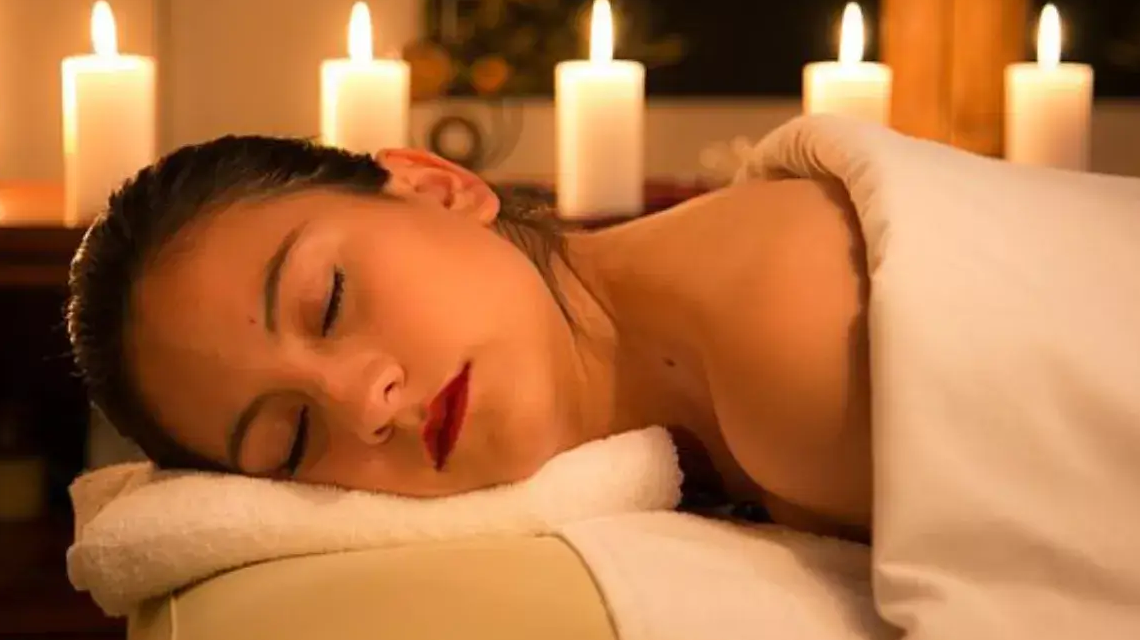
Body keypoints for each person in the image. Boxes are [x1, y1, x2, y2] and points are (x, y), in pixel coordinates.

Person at [66, 135, 873, 539]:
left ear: (437, 188)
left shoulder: (789, 341)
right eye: (294, 438)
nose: (363, 402)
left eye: (330, 303)